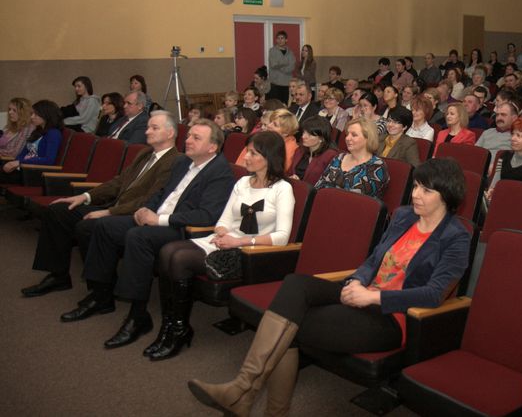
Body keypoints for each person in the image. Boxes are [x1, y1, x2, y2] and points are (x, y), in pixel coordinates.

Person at [188, 158, 470, 417]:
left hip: (392, 317)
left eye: (427, 191)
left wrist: (374, 297)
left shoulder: (456, 237)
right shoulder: (405, 216)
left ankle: (245, 395)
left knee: (291, 322)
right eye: (417, 186)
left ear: (447, 196)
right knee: (295, 286)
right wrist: (358, 279)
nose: (416, 194)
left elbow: (434, 294)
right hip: (363, 291)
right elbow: (374, 258)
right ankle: (243, 390)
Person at [62, 120, 235, 350]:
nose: (187, 140)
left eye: (196, 138)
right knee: (103, 226)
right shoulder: (183, 162)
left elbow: (206, 215)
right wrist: (146, 209)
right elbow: (163, 192)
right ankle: (100, 294)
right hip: (157, 218)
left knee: (138, 237)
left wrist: (159, 219)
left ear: (212, 147)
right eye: (189, 135)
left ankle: (137, 315)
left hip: (180, 229)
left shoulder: (220, 172)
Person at [148, 131, 295, 360]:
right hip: (225, 242)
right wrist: (221, 232)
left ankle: (178, 329)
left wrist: (238, 241)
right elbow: (225, 220)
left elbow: (282, 237)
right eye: (247, 151)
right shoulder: (243, 182)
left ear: (268, 157)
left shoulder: (282, 189)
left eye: (253, 153)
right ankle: (170, 326)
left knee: (178, 258)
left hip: (250, 252)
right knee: (167, 251)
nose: (245, 157)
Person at [20, 111, 180, 298]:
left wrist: (109, 212)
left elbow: (151, 199)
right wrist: (85, 196)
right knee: (58, 211)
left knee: (87, 227)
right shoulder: (145, 154)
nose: (147, 132)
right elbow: (118, 182)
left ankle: (102, 291)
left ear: (170, 133)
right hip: (114, 205)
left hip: (131, 213)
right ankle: (58, 276)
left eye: (154, 128)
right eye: (148, 127)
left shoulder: (176, 161)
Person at [315, 118, 389, 199]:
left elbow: (358, 201)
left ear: (368, 138)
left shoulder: (376, 166)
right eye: (347, 134)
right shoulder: (339, 158)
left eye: (354, 135)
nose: (347, 138)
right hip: (323, 204)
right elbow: (319, 186)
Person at [0, 100, 63, 185]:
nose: (32, 117)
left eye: (35, 114)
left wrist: (19, 162)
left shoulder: (53, 133)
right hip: (22, 169)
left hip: (34, 173)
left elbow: (49, 160)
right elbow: (23, 153)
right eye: (32, 114)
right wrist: (16, 162)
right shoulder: (37, 131)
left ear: (46, 115)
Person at [289, 116, 339, 185]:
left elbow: (326, 184)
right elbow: (288, 173)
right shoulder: (299, 150)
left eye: (309, 134)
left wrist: (301, 184)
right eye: (304, 132)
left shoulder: (331, 156)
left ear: (322, 138)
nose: (303, 136)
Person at [261, 109, 299, 174]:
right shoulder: (267, 138)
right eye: (270, 122)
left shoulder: (290, 148)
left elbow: (277, 172)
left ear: (286, 132)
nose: (269, 125)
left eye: (275, 125)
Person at [267, 31, 295, 103]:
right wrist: (286, 63)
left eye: (282, 38)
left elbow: (292, 66)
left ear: (286, 40)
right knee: (275, 105)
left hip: (287, 83)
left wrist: (280, 65)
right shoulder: (272, 51)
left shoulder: (290, 52)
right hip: (275, 83)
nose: (280, 40)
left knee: (285, 105)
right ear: (276, 40)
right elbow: (274, 64)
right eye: (278, 38)